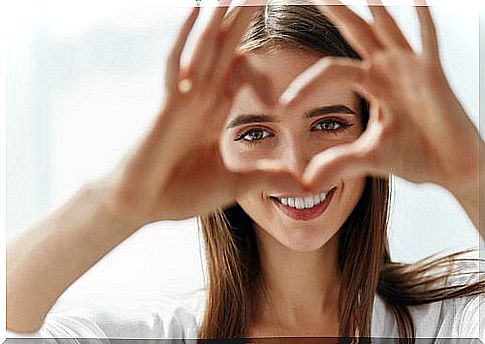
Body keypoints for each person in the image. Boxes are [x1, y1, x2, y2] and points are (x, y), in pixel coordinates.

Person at [6, 0, 485, 341]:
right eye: (256, 132)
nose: (299, 166)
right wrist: (117, 205)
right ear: (215, 148)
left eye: (329, 123)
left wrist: (472, 176)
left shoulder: (448, 324)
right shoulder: (159, 334)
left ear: (369, 129)